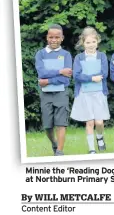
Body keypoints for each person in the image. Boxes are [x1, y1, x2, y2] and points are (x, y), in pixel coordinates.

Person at [70, 27, 110, 154]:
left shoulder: (102, 56)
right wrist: (92, 78)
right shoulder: (79, 58)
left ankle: (99, 137)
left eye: (93, 42)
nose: (91, 45)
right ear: (83, 43)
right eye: (88, 42)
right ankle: (92, 149)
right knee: (89, 121)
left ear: (97, 41)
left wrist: (97, 77)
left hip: (99, 92)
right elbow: (77, 75)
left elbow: (104, 73)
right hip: (84, 93)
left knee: (99, 122)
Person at [35, 24, 72, 156]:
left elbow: (66, 79)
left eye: (57, 37)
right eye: (51, 37)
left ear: (62, 38)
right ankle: (54, 144)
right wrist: (60, 71)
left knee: (61, 123)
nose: (54, 40)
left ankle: (60, 152)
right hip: (46, 94)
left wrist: (49, 80)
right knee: (47, 126)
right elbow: (41, 73)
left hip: (61, 93)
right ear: (47, 37)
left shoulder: (66, 55)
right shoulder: (40, 54)